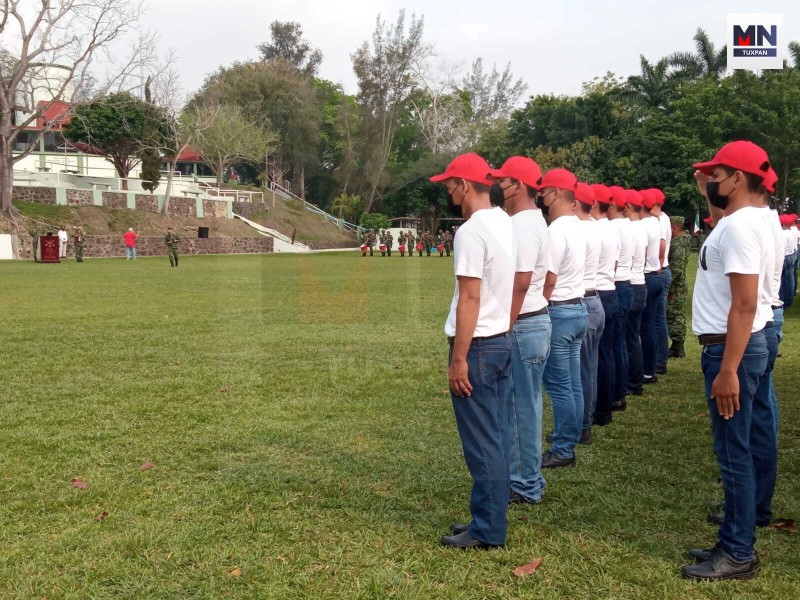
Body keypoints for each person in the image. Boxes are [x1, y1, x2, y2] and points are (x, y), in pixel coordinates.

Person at [681, 141, 774, 581]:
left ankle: (738, 551)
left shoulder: (738, 228)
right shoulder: (744, 220)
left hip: (731, 348)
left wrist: (728, 369)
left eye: (716, 176)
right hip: (737, 345)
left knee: (733, 452)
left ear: (738, 178)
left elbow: (744, 304)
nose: (709, 182)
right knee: (743, 446)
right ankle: (733, 536)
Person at [430, 153, 514, 550]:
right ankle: (488, 516)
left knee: (482, 443)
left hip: (478, 345)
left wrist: (459, 358)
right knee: (494, 436)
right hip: (499, 339)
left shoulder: (471, 230)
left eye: (450, 184)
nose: (448, 190)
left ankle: (488, 529)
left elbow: (470, 297)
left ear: (465, 185)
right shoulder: (504, 221)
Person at [489, 156, 550, 505]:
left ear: (520, 186)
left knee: (519, 409)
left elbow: (521, 282)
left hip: (522, 323)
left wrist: (504, 327)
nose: (498, 187)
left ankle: (524, 483)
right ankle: (529, 478)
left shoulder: (524, 225)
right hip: (532, 321)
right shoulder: (531, 221)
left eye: (504, 181)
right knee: (525, 406)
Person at [539, 168, 588, 469]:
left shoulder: (555, 230)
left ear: (556, 193)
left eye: (544, 191)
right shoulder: (578, 226)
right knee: (572, 383)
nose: (541, 196)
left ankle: (564, 447)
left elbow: (549, 279)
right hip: (577, 308)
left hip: (559, 310)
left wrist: (537, 309)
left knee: (559, 385)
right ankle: (569, 434)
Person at [573, 183, 604, 446]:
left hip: (581, 299)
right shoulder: (597, 227)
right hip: (595, 299)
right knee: (589, 369)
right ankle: (586, 421)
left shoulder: (576, 230)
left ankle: (582, 426)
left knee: (578, 371)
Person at [587, 184, 619, 434]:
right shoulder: (614, 229)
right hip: (610, 289)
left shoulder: (594, 230)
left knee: (593, 360)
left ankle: (598, 409)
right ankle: (606, 405)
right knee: (606, 353)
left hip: (595, 291)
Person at [601, 186, 634, 418]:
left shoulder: (612, 228)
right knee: (618, 345)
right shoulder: (629, 226)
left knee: (608, 349)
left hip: (615, 284)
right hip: (625, 284)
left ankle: (613, 395)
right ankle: (619, 392)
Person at [639, 190, 664, 385]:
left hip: (646, 275)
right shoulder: (656, 223)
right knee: (652, 325)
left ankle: (647, 371)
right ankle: (652, 367)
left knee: (645, 327)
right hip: (656, 274)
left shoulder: (643, 226)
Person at [625, 189, 648, 399]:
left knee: (628, 339)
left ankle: (632, 381)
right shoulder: (643, 228)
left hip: (631, 283)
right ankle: (635, 380)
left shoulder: (630, 229)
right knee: (634, 337)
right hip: (640, 282)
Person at [652, 189, 673, 373]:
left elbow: (661, 243)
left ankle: (659, 361)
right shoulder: (664, 217)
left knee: (657, 320)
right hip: (664, 270)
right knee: (659, 319)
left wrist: (658, 264)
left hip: (659, 271)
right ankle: (659, 360)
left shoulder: (658, 219)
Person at [667, 217, 691, 358]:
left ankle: (677, 347)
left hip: (676, 286)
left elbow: (676, 268)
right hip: (679, 285)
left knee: (674, 316)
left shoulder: (678, 244)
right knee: (676, 315)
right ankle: (677, 346)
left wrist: (670, 288)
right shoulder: (683, 240)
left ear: (674, 228)